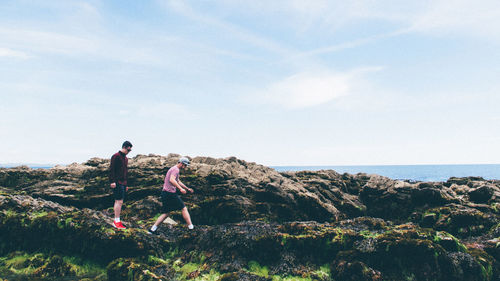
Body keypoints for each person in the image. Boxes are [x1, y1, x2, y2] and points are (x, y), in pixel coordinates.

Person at [150, 157, 194, 234]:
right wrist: (180, 189)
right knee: (183, 208)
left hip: (165, 193)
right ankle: (191, 227)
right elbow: (172, 180)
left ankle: (152, 230)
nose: (185, 167)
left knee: (166, 213)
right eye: (185, 165)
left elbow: (178, 181)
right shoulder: (175, 169)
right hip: (170, 194)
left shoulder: (174, 169)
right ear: (181, 163)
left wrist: (187, 188)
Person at [109, 141, 132, 229]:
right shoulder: (116, 156)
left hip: (123, 183)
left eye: (130, 150)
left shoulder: (125, 159)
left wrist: (126, 184)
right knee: (119, 201)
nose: (129, 151)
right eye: (128, 149)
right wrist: (112, 181)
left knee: (120, 201)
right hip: (117, 182)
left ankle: (117, 220)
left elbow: (125, 172)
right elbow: (112, 169)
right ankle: (116, 221)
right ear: (124, 147)